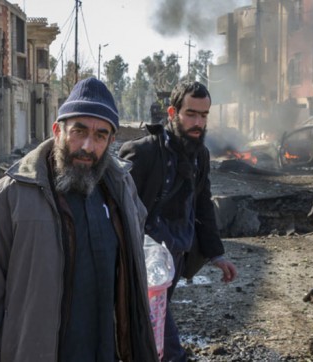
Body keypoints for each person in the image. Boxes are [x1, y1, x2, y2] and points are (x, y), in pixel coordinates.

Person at [0, 78, 158, 361]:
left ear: (111, 141)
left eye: (100, 135)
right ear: (57, 131)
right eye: (79, 131)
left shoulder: (121, 190)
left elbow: (134, 277)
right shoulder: (12, 195)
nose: (87, 145)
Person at [119, 81, 238, 362]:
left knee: (151, 329)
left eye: (204, 115)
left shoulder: (201, 155)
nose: (198, 122)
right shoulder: (143, 152)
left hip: (177, 254)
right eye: (191, 114)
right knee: (163, 338)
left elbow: (202, 205)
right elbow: (121, 209)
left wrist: (216, 254)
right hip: (145, 261)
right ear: (173, 112)